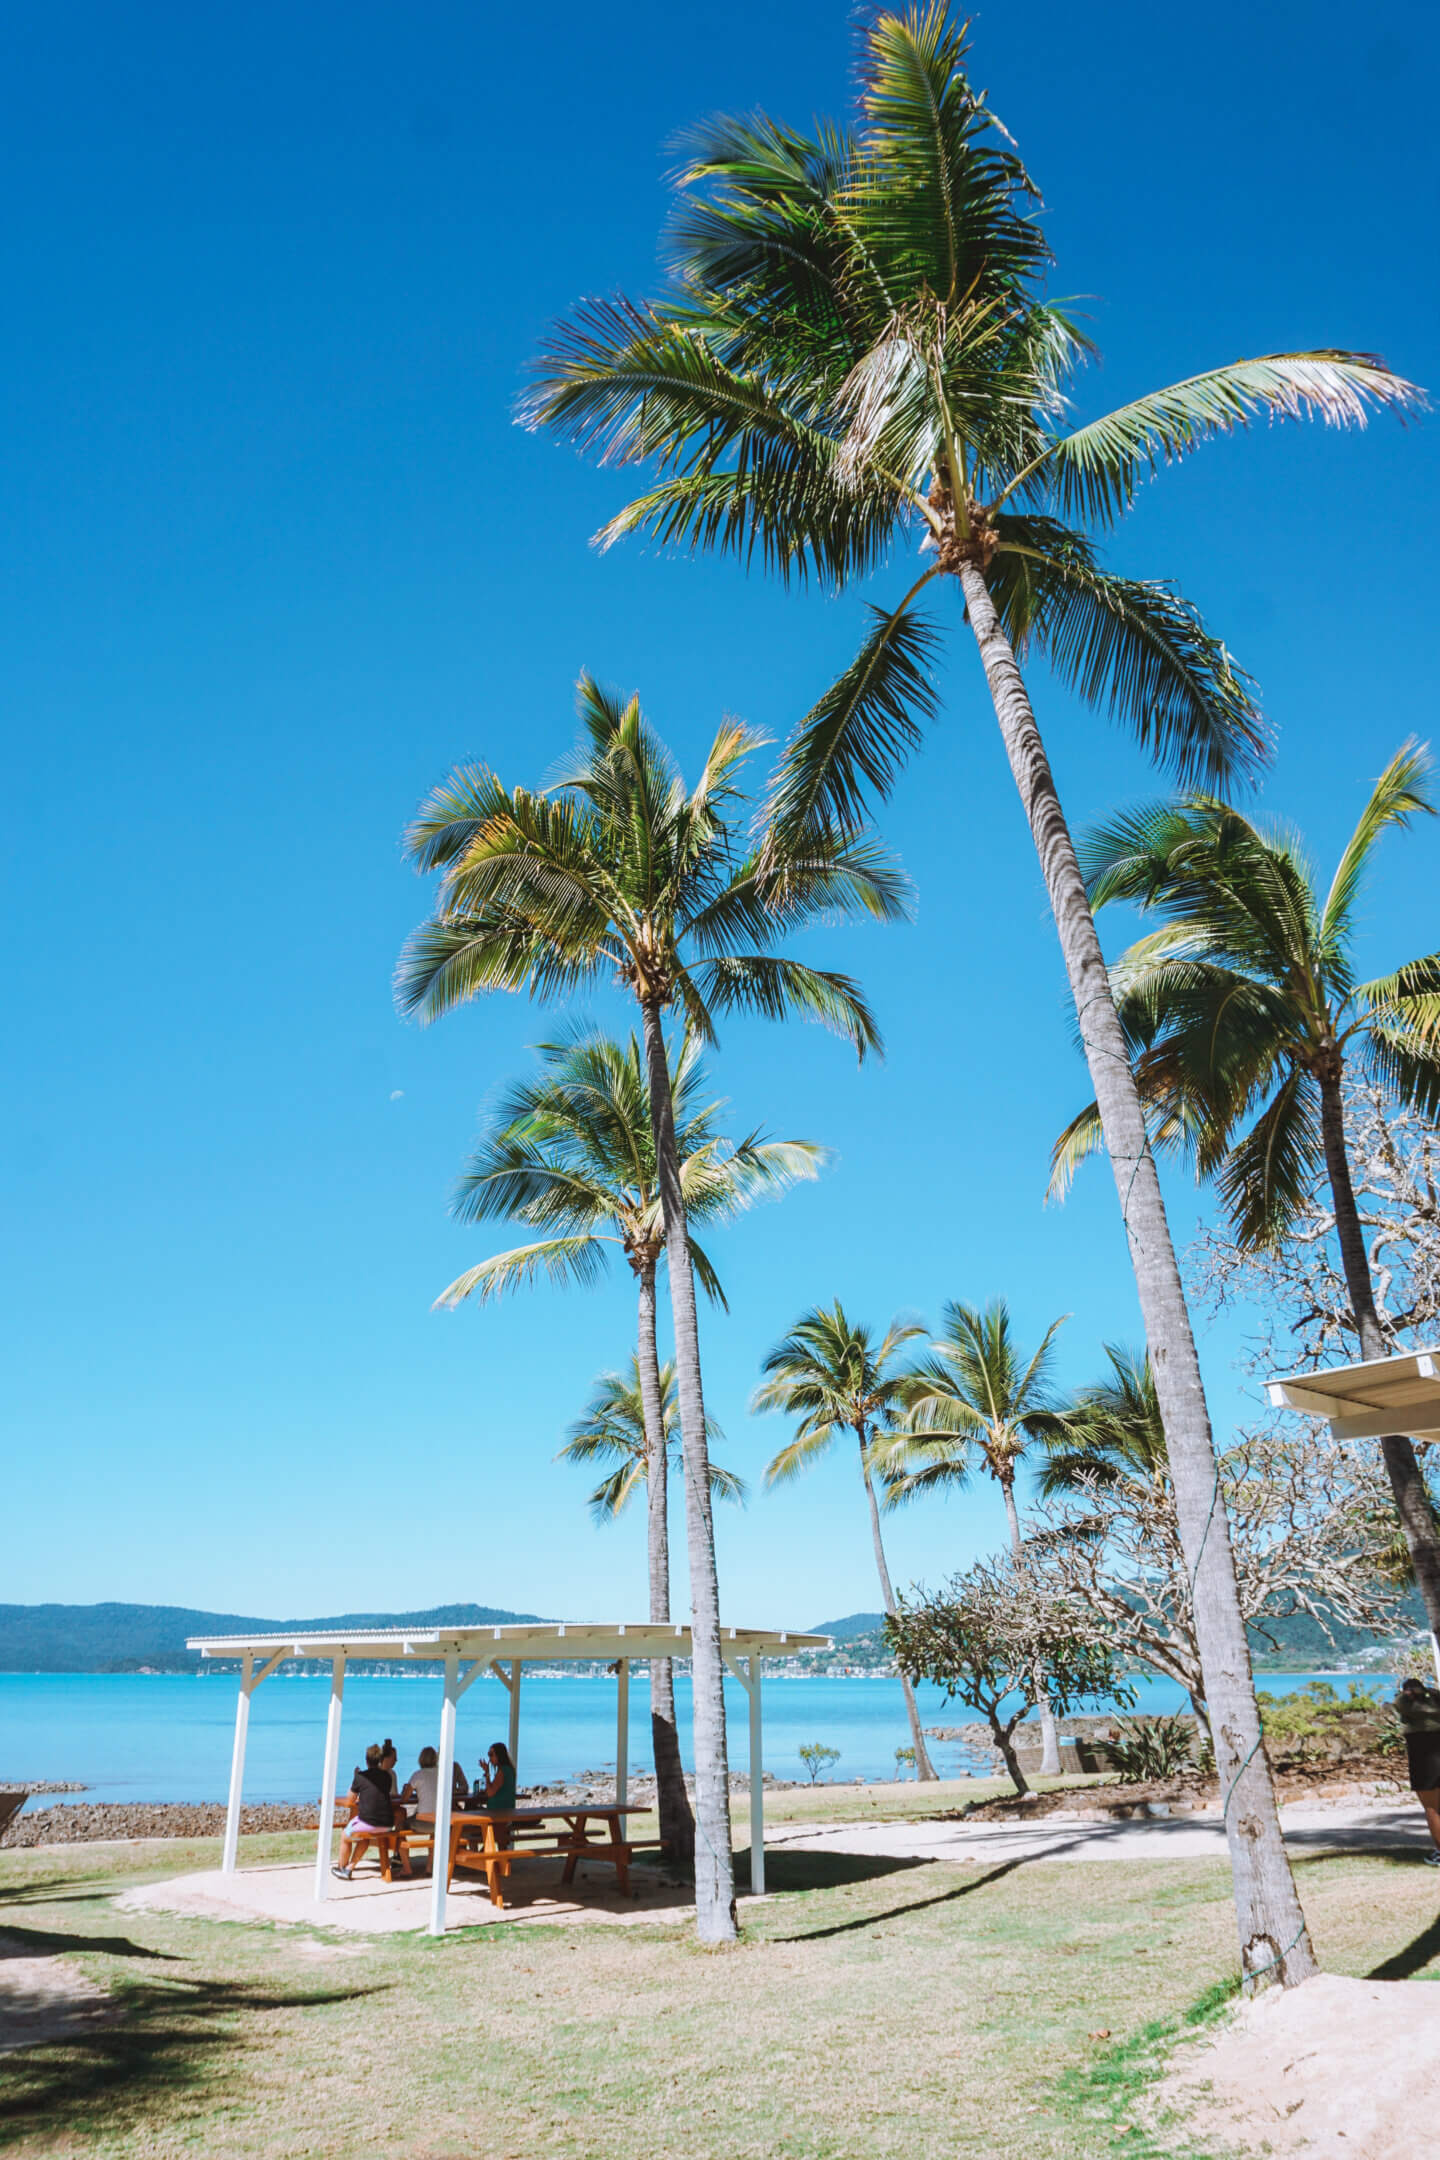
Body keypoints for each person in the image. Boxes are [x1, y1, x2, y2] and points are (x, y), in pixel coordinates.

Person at [333, 1743, 411, 1880]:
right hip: (387, 1823)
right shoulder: (387, 1777)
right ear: (380, 1760)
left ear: (366, 1760)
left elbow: (350, 1799)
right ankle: (349, 1868)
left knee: (345, 1836)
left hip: (369, 1822)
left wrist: (355, 1778)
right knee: (364, 1839)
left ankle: (341, 1868)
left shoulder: (361, 1777)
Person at [1394, 1676, 1440, 1865]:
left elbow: (1398, 1702)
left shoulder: (1408, 1708)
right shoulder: (1436, 1705)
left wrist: (1411, 1692)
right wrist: (1428, 1692)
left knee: (1432, 1808)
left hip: (1424, 1758)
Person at [471, 1742, 518, 1815]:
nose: (489, 1758)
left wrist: (487, 1772)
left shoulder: (502, 1771)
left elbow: (490, 1793)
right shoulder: (508, 1769)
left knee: (470, 1808)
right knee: (470, 1806)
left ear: (499, 1755)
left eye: (491, 1755)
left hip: (499, 1812)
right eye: (489, 1755)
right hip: (504, 1810)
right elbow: (494, 1788)